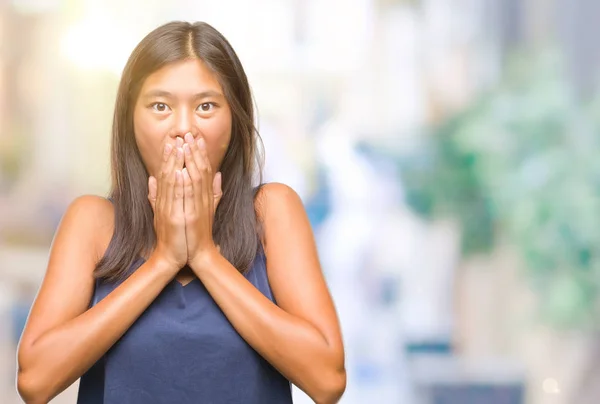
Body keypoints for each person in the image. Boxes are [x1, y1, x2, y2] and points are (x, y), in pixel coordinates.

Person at [15, 21, 346, 404]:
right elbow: (35, 381)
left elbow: (327, 381)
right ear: (130, 121)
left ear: (235, 121)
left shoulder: (272, 212)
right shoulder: (93, 222)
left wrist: (204, 254)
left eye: (206, 106)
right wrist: (164, 261)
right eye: (161, 107)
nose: (184, 129)